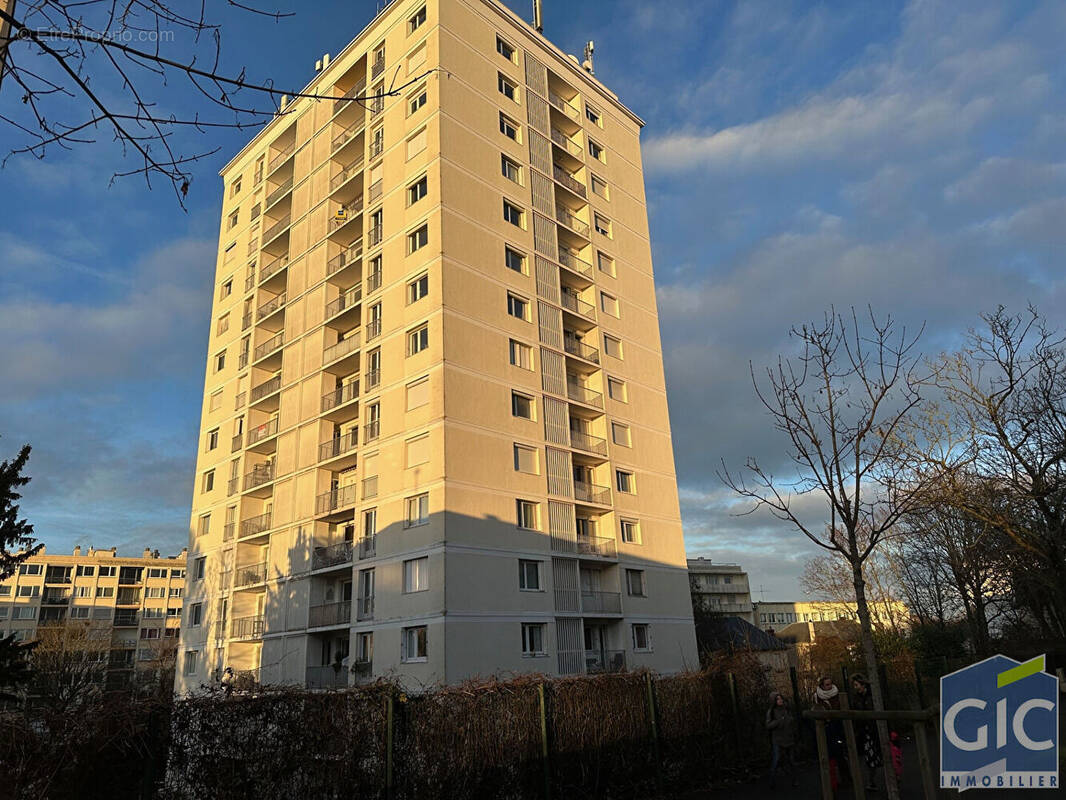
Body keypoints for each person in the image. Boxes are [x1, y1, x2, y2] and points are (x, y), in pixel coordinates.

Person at [814, 676, 846, 792]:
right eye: (827, 684)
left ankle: (845, 778)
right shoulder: (818, 697)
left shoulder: (836, 695)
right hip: (826, 729)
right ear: (822, 686)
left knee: (841, 754)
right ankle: (832, 782)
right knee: (830, 756)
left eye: (830, 684)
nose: (830, 686)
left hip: (837, 726)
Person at [851, 675, 883, 792]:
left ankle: (892, 779)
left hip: (875, 728)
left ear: (862, 684)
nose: (855, 687)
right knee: (870, 758)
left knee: (883, 753)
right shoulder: (856, 698)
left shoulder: (872, 696)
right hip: (865, 731)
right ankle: (871, 781)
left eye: (856, 685)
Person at [766, 691, 798, 789]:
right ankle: (771, 781)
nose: (780, 701)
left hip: (789, 738)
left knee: (791, 761)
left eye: (781, 698)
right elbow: (768, 725)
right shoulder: (771, 712)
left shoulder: (787, 709)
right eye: (777, 699)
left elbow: (792, 721)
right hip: (778, 739)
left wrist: (790, 721)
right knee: (776, 760)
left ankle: (794, 780)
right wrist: (778, 722)